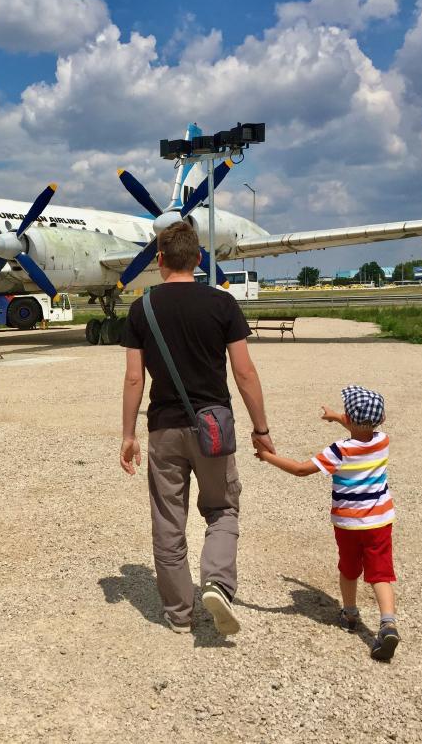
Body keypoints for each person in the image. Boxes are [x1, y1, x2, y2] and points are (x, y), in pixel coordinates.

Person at [120, 221, 273, 636]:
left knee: (169, 520)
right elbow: (244, 372)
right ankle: (218, 583)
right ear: (199, 259)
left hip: (164, 430)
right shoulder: (222, 304)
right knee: (222, 509)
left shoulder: (142, 308)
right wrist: (261, 429)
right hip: (214, 429)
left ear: (159, 260)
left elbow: (135, 379)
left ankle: (178, 614)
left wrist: (128, 434)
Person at [256, 385, 400, 661]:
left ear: (351, 418)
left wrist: (267, 457)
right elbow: (361, 427)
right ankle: (388, 622)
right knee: (380, 573)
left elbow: (301, 470)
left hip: (348, 524)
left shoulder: (340, 451)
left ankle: (349, 613)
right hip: (380, 522)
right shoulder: (382, 440)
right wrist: (336, 417)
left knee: (349, 568)